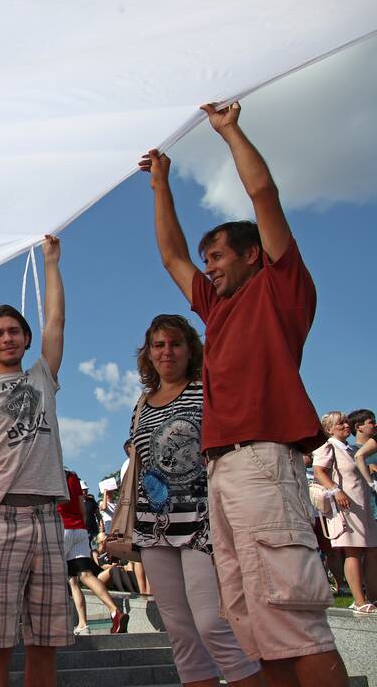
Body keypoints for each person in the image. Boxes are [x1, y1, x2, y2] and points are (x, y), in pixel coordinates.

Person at [143, 101, 349, 686]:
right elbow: (170, 256)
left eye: (218, 257)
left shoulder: (281, 289)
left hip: (263, 462)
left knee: (293, 620)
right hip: (223, 473)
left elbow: (265, 199)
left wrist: (229, 130)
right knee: (254, 627)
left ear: (252, 256)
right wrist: (160, 183)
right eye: (206, 259)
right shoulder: (216, 309)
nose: (206, 268)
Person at [0, 235, 69, 687]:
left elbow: (56, 320)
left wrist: (51, 261)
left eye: (14, 331)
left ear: (25, 338)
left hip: (48, 517)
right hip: (1, 519)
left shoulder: (42, 376)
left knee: (46, 640)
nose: (7, 338)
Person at [127, 313, 262, 686]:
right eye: (159, 345)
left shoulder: (206, 390)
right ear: (149, 354)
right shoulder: (141, 403)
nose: (166, 352)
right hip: (153, 525)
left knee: (211, 623)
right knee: (179, 631)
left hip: (203, 519)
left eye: (175, 344)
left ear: (190, 350)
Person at [313, 411, 377, 614]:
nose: (345, 425)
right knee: (353, 550)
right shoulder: (328, 446)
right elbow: (319, 471)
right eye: (340, 423)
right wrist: (335, 490)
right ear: (329, 429)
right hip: (345, 505)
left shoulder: (350, 449)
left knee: (372, 550)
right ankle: (359, 600)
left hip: (362, 505)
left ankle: (372, 598)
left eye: (345, 422)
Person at [59, 469, 127, 636]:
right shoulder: (73, 476)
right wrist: (82, 525)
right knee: (85, 575)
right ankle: (112, 612)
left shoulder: (50, 471)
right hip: (80, 530)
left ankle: (74, 624)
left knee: (67, 580)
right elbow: (82, 504)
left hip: (61, 528)